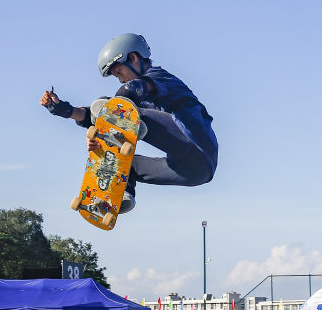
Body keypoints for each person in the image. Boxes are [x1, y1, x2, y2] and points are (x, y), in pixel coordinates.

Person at [40, 33, 218, 215]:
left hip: (195, 143)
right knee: (124, 164)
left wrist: (106, 130)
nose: (121, 80)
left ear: (133, 58)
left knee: (119, 111)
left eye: (119, 73)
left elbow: (135, 89)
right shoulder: (136, 105)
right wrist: (64, 110)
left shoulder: (161, 78)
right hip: (196, 173)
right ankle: (119, 197)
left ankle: (117, 130)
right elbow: (93, 115)